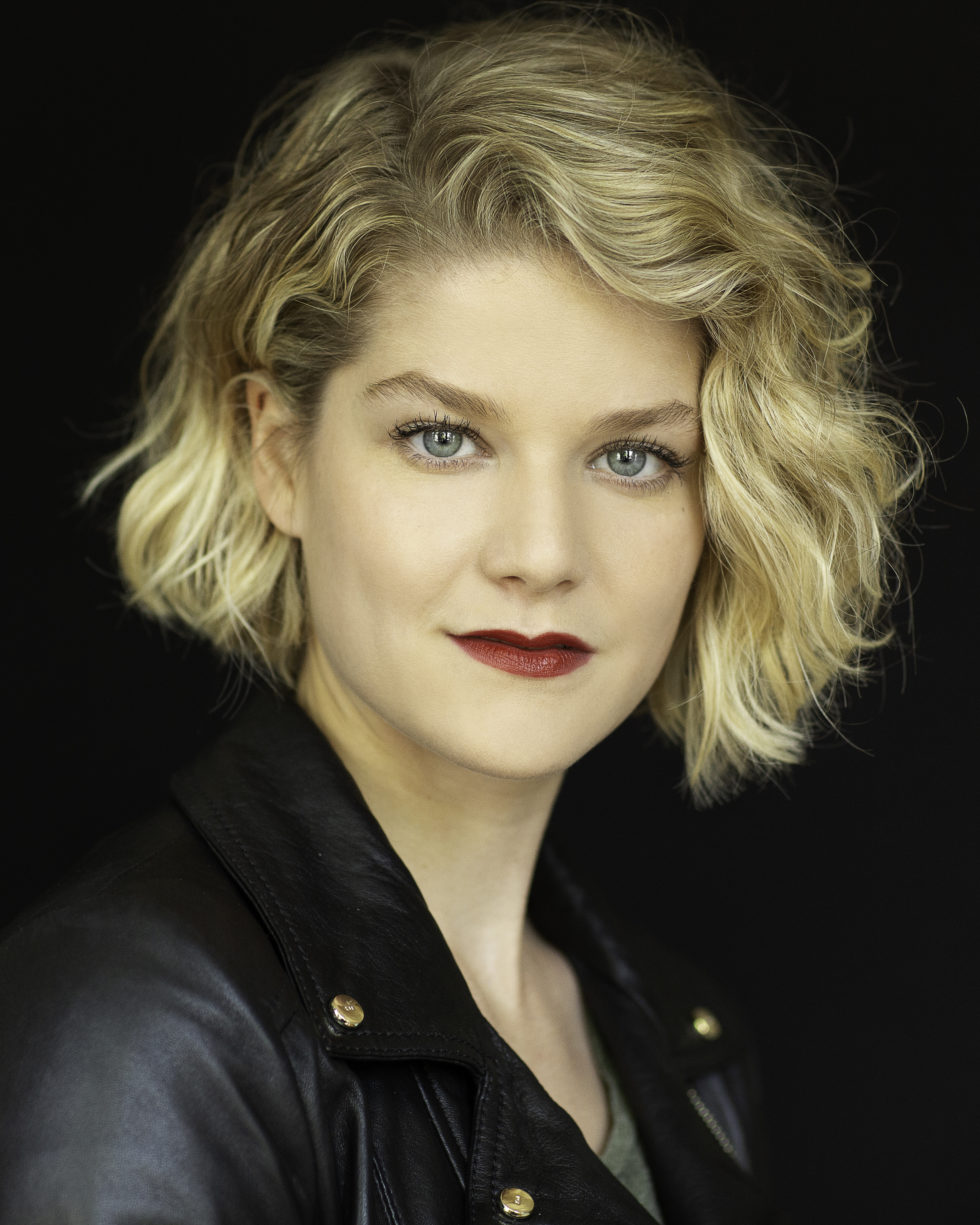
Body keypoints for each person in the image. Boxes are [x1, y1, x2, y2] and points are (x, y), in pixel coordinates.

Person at [0, 6, 923, 1223]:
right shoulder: (143, 1023)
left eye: (633, 457)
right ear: (277, 453)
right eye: (442, 437)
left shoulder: (681, 1042)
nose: (540, 554)